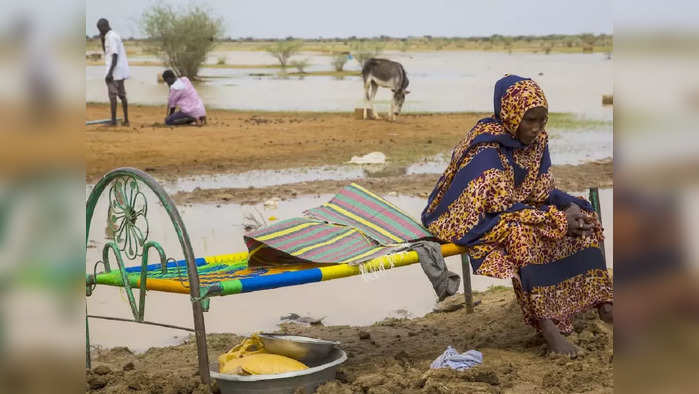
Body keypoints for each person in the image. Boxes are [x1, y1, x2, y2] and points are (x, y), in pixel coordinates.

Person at [421, 75, 613, 356]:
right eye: (530, 120)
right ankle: (548, 329)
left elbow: (542, 192)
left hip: (512, 209)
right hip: (470, 218)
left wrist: (569, 207)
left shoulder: (537, 141)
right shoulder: (485, 148)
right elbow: (500, 207)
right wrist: (558, 220)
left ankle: (602, 302)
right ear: (511, 115)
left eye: (542, 120)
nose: (536, 129)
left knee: (583, 211)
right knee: (521, 234)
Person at [97, 18, 129, 126]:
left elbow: (114, 55)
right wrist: (102, 39)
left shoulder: (111, 37)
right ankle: (126, 120)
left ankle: (114, 121)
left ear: (104, 26)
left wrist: (110, 73)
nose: (99, 31)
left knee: (113, 96)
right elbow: (107, 53)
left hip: (114, 72)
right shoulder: (113, 36)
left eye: (100, 29)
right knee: (122, 95)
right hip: (119, 71)